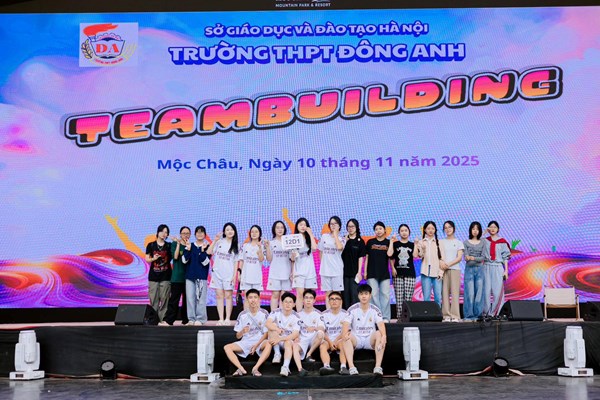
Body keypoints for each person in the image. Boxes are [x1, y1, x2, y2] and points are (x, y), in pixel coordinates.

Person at [224, 289, 272, 376]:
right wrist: (242, 331)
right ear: (247, 299)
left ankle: (255, 368)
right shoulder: (242, 314)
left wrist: (256, 345)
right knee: (227, 347)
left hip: (259, 341)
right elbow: (238, 336)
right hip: (246, 341)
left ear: (259, 299)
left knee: (269, 343)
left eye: (255, 297)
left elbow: (266, 334)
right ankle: (241, 369)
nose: (253, 300)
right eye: (250, 297)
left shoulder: (264, 313)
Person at [341, 284, 387, 375]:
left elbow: (381, 325)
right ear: (358, 296)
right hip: (357, 338)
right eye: (361, 294)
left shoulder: (375, 309)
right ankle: (351, 367)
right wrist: (344, 334)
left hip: (369, 339)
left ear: (370, 295)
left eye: (366, 294)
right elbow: (345, 324)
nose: (364, 296)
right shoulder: (352, 309)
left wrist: (384, 336)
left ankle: (378, 367)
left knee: (380, 334)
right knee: (346, 336)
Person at [207, 222, 240, 325]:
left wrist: (234, 276)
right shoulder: (219, 242)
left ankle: (227, 319)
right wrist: (215, 240)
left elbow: (236, 262)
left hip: (229, 275)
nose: (230, 231)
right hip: (217, 273)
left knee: (228, 296)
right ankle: (220, 319)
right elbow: (209, 252)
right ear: (224, 232)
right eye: (227, 230)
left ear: (234, 231)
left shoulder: (236, 245)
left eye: (231, 229)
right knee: (219, 295)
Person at [266, 292, 301, 377]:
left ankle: (285, 367)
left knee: (288, 341)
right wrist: (277, 329)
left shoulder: (296, 316)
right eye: (286, 302)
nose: (288, 304)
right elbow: (267, 323)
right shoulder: (275, 312)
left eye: (290, 302)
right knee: (272, 326)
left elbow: (295, 334)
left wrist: (281, 339)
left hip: (286, 340)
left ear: (294, 304)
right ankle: (277, 353)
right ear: (281, 303)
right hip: (275, 339)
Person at [387, 224, 417, 320]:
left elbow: (415, 255)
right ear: (399, 233)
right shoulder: (395, 244)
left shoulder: (412, 244)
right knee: (399, 298)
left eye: (406, 230)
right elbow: (390, 255)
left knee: (408, 298)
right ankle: (400, 318)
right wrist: (391, 242)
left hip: (410, 274)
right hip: (398, 274)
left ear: (409, 232)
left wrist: (416, 244)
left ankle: (408, 318)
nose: (404, 232)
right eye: (402, 231)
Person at [363, 221, 392, 322]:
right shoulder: (370, 242)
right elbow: (367, 257)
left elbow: (390, 257)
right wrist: (365, 271)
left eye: (380, 228)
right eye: (376, 229)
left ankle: (385, 317)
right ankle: (376, 316)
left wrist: (393, 269)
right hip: (371, 272)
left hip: (384, 272)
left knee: (385, 295)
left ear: (384, 230)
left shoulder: (388, 242)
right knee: (373, 295)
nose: (378, 231)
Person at [292, 289, 325, 376]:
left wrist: (315, 328)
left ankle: (309, 354)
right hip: (302, 338)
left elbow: (322, 327)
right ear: (303, 300)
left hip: (314, 338)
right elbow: (295, 329)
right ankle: (300, 369)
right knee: (294, 345)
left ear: (314, 300)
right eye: (306, 298)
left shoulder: (318, 313)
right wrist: (297, 336)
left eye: (311, 298)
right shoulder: (298, 315)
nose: (308, 300)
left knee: (320, 333)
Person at [182, 226, 211, 325]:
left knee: (201, 299)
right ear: (195, 234)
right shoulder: (189, 245)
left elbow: (205, 262)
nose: (200, 234)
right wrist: (188, 249)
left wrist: (202, 251)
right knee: (190, 299)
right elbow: (184, 260)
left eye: (202, 232)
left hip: (201, 277)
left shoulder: (207, 246)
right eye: (198, 232)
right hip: (190, 276)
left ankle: (200, 319)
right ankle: (191, 319)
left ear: (205, 234)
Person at [145, 224, 172, 324]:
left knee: (165, 299)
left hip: (166, 276)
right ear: (158, 232)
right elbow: (147, 259)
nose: (164, 234)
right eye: (162, 231)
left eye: (166, 232)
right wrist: (154, 258)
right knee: (154, 300)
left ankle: (162, 320)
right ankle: (154, 320)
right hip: (153, 277)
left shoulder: (169, 246)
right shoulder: (151, 245)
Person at [319, 291, 351, 376]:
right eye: (332, 299)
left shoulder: (346, 314)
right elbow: (322, 331)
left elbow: (346, 330)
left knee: (344, 344)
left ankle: (343, 367)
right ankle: (326, 366)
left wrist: (336, 341)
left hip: (340, 339)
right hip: (328, 339)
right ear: (329, 301)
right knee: (322, 346)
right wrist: (330, 342)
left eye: (337, 299)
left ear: (341, 301)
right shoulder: (323, 314)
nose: (334, 301)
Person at [164, 226, 191, 326]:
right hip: (176, 277)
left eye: (187, 233)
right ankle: (169, 320)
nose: (185, 235)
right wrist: (179, 244)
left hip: (188, 277)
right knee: (174, 300)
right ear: (180, 234)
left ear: (190, 235)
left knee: (187, 301)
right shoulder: (174, 244)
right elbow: (175, 257)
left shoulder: (191, 246)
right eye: (184, 233)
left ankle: (186, 320)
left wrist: (188, 247)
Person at [483, 221, 511, 317]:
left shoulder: (502, 242)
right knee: (485, 291)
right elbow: (476, 243)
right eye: (490, 227)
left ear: (498, 229)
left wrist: (506, 270)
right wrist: (484, 233)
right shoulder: (485, 241)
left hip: (498, 266)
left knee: (497, 292)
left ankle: (495, 313)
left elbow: (505, 257)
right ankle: (486, 313)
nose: (492, 229)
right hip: (486, 266)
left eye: (494, 227)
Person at [291, 218, 318, 311]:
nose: (303, 226)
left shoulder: (309, 237)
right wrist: (292, 271)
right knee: (300, 294)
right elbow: (292, 259)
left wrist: (310, 233)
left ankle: (309, 314)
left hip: (310, 271)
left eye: (304, 225)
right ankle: (299, 315)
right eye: (300, 224)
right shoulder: (293, 239)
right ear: (297, 226)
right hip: (298, 271)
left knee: (309, 295)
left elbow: (314, 248)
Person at [318, 216, 345, 309]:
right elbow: (321, 251)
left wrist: (335, 235)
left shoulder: (342, 239)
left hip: (337, 270)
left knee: (337, 294)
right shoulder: (324, 236)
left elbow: (339, 247)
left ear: (339, 226)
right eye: (331, 224)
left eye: (335, 224)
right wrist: (323, 265)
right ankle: (328, 314)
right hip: (325, 270)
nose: (333, 225)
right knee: (328, 294)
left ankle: (338, 314)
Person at [440, 221, 464, 322]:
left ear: (453, 228)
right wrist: (442, 264)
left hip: (455, 270)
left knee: (455, 293)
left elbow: (459, 258)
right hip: (443, 270)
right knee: (444, 293)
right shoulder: (441, 242)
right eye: (445, 228)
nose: (448, 229)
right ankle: (446, 315)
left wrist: (448, 264)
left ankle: (455, 315)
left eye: (449, 227)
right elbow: (439, 256)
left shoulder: (458, 242)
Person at [266, 221, 292, 311]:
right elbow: (269, 259)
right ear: (274, 229)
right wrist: (267, 247)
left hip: (286, 273)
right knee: (275, 295)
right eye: (277, 227)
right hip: (275, 273)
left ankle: (282, 315)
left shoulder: (288, 242)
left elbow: (292, 258)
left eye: (282, 227)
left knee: (284, 296)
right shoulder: (271, 243)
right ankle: (273, 315)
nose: (280, 229)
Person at [416, 221, 443, 306]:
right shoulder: (421, 242)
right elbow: (420, 256)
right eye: (428, 228)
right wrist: (423, 249)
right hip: (425, 272)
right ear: (425, 230)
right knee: (426, 298)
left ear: (435, 230)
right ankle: (427, 313)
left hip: (437, 272)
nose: (430, 230)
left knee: (438, 297)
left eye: (432, 228)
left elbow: (442, 259)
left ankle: (438, 313)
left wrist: (441, 272)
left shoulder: (439, 242)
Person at [463, 222, 486, 321]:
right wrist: (473, 258)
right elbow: (466, 258)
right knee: (470, 293)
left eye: (477, 229)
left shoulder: (483, 242)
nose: (475, 231)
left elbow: (483, 257)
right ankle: (469, 315)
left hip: (480, 270)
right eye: (473, 229)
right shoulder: (466, 242)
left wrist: (472, 258)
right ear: (470, 230)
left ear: (479, 231)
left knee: (479, 293)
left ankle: (478, 315)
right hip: (469, 270)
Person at [341, 218, 366, 309]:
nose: (350, 228)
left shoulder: (360, 241)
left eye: (352, 226)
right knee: (345, 296)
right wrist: (344, 241)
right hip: (343, 272)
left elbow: (361, 257)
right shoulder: (343, 240)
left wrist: (359, 272)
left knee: (354, 295)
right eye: (349, 226)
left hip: (354, 273)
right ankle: (346, 314)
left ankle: (355, 314)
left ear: (356, 227)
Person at [239, 225, 265, 309]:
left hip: (257, 276)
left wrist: (260, 248)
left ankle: (257, 316)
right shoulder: (245, 246)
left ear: (260, 233)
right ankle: (246, 316)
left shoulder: (262, 246)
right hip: (246, 276)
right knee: (247, 297)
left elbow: (261, 259)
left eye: (256, 232)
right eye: (252, 232)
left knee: (256, 298)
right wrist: (239, 272)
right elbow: (241, 260)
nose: (254, 233)